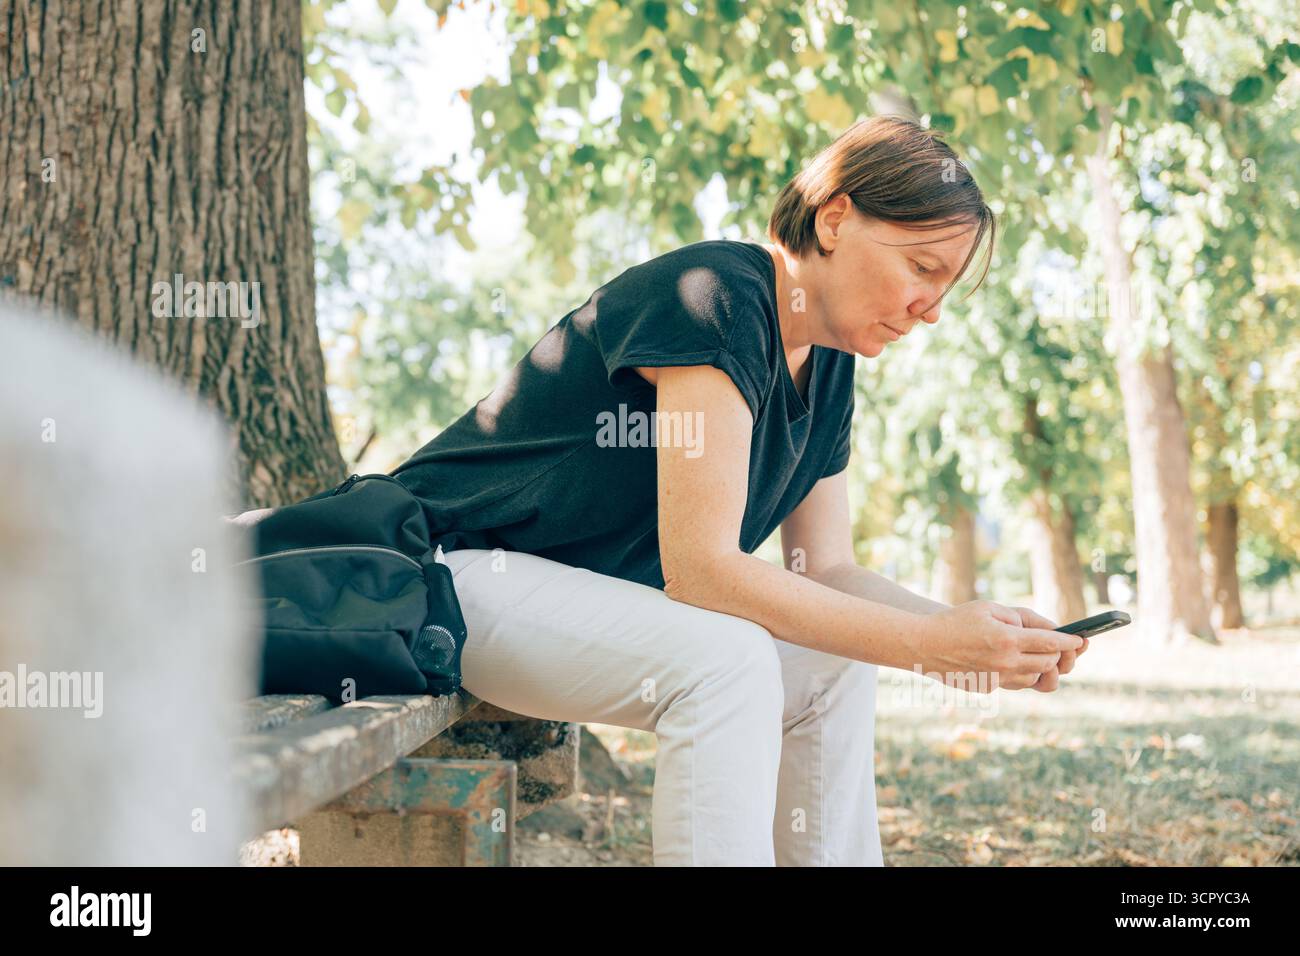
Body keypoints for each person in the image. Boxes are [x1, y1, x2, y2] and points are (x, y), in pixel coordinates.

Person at [346, 116, 1088, 865]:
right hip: (441, 573)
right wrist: (929, 646)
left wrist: (972, 634)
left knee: (832, 663)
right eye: (923, 267)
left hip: (549, 600)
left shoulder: (830, 365)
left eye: (947, 284)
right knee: (724, 658)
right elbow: (700, 570)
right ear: (836, 220)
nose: (932, 306)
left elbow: (828, 571)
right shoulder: (716, 297)